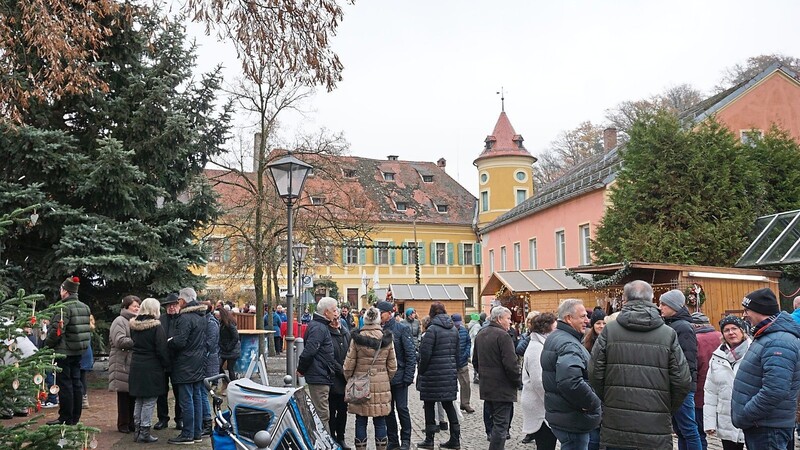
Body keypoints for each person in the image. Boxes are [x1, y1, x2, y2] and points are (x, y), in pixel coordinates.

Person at [589, 280, 691, 450]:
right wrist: (665, 406)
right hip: (655, 423)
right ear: (652, 299)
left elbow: (594, 374)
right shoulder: (667, 333)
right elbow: (682, 380)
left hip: (617, 421)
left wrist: (610, 398)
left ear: (624, 300)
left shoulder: (610, 330)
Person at [732, 288, 800, 449]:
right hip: (763, 425)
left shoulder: (779, 341)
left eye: (747, 310)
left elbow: (775, 390)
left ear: (759, 311)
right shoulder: (769, 336)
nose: (745, 314)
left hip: (768, 428)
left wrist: (747, 414)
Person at [541, 299, 601, 450]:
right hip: (573, 417)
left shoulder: (557, 337)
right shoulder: (568, 344)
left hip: (564, 414)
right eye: (582, 316)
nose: (587, 320)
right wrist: (592, 403)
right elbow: (570, 382)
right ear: (568, 318)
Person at [343, 307, 397, 450]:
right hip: (381, 384)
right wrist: (385, 378)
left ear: (364, 319)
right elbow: (393, 366)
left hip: (360, 384)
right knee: (380, 420)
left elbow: (348, 365)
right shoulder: (387, 339)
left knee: (360, 420)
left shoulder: (356, 339)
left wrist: (350, 378)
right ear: (378, 319)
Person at [44, 276, 91, 426]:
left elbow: (56, 331)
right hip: (78, 351)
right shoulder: (85, 307)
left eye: (61, 289)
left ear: (66, 291)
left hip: (64, 352)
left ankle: (65, 417)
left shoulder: (63, 308)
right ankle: (75, 416)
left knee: (65, 385)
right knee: (76, 383)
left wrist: (46, 346)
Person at [659, 289, 702, 450]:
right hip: (677, 385)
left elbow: (688, 359)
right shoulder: (672, 324)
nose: (660, 307)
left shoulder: (682, 327)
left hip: (682, 386)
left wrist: (683, 384)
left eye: (664, 304)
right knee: (680, 429)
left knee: (689, 429)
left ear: (674, 306)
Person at [473, 306, 520, 450]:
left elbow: (475, 361)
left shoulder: (481, 333)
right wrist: (517, 381)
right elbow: (511, 364)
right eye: (508, 318)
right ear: (499, 319)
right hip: (502, 388)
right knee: (501, 426)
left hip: (487, 386)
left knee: (495, 423)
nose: (510, 322)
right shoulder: (503, 336)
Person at [416, 302, 461, 450]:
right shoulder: (454, 329)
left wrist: (421, 371)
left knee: (429, 405)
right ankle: (455, 438)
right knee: (448, 405)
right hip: (448, 373)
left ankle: (429, 440)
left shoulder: (432, 330)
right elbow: (457, 354)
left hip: (432, 375)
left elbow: (425, 354)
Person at [167, 287, 208, 445]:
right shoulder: (201, 316)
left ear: (183, 300)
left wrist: (170, 342)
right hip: (198, 362)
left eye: (179, 300)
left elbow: (180, 341)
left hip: (185, 363)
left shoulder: (185, 318)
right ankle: (197, 433)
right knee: (196, 397)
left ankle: (187, 434)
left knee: (186, 400)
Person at [703, 315, 750, 450]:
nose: (731, 332)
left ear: (742, 331)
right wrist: (709, 423)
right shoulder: (717, 357)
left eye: (734, 328)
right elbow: (710, 392)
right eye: (726, 330)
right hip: (726, 420)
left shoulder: (754, 352)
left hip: (750, 420)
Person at [129, 298, 170, 443]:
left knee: (139, 399)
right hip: (152, 366)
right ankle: (145, 432)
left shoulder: (133, 326)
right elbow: (161, 348)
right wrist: (167, 364)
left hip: (136, 365)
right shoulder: (156, 327)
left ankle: (137, 429)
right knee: (150, 399)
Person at [377, 301, 416, 450]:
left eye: (382, 313)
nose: (380, 316)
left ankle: (405, 439)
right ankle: (393, 440)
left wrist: (408, 376)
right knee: (388, 411)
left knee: (402, 409)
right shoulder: (378, 330)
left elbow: (410, 354)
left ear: (389, 313)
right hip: (384, 378)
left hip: (400, 377)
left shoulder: (401, 329)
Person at [297, 296, 337, 428]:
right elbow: (309, 352)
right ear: (326, 312)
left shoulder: (319, 326)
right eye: (334, 310)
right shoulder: (319, 328)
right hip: (319, 375)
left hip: (320, 374)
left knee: (322, 413)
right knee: (321, 415)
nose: (336, 313)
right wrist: (301, 369)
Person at [521, 312, 557, 449]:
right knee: (546, 444)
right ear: (545, 329)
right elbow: (539, 382)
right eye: (555, 328)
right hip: (540, 406)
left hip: (542, 404)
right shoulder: (537, 348)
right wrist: (553, 403)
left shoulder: (542, 345)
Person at [109, 295, 140, 434]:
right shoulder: (119, 321)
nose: (137, 308)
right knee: (123, 396)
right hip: (122, 362)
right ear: (126, 306)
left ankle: (132, 422)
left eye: (138, 306)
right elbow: (119, 341)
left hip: (132, 362)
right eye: (134, 306)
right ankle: (123, 424)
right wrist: (137, 340)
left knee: (132, 394)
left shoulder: (136, 321)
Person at [692, 312, 722, 450]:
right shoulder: (719, 336)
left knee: (698, 432)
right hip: (721, 391)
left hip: (700, 391)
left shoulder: (695, 339)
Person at [155, 293, 181, 431]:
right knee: (161, 392)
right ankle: (162, 418)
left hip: (177, 362)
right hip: (162, 362)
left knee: (179, 393)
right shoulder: (160, 320)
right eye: (169, 305)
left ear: (179, 305)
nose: (171, 307)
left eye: (174, 304)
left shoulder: (183, 319)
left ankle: (180, 419)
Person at [328, 306, 351, 450]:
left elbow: (350, 353)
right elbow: (329, 357)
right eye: (334, 319)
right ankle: (331, 437)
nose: (336, 322)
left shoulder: (346, 333)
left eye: (338, 319)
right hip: (332, 377)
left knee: (343, 411)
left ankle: (341, 437)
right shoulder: (327, 334)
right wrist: (341, 370)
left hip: (345, 379)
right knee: (331, 411)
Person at [199, 300, 220, 436]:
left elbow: (210, 343)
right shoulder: (207, 321)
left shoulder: (211, 323)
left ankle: (207, 422)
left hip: (207, 362)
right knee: (202, 392)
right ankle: (205, 422)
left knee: (202, 392)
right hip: (206, 360)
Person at [451, 313, 474, 414]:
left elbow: (468, 342)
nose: (457, 325)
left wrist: (466, 353)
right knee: (450, 384)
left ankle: (465, 403)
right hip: (451, 362)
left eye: (458, 323)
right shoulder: (449, 331)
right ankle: (450, 404)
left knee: (466, 383)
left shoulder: (464, 330)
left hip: (463, 361)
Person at [217, 306, 241, 382]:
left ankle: (232, 384)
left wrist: (229, 347)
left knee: (230, 368)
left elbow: (236, 337)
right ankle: (226, 381)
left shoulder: (229, 324)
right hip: (225, 349)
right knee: (219, 366)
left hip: (231, 349)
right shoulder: (222, 323)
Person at [79, 314, 95, 409]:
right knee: (82, 377)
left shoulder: (82, 330)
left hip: (82, 355)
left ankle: (82, 399)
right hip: (86, 355)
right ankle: (83, 398)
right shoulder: (87, 329)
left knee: (79, 377)